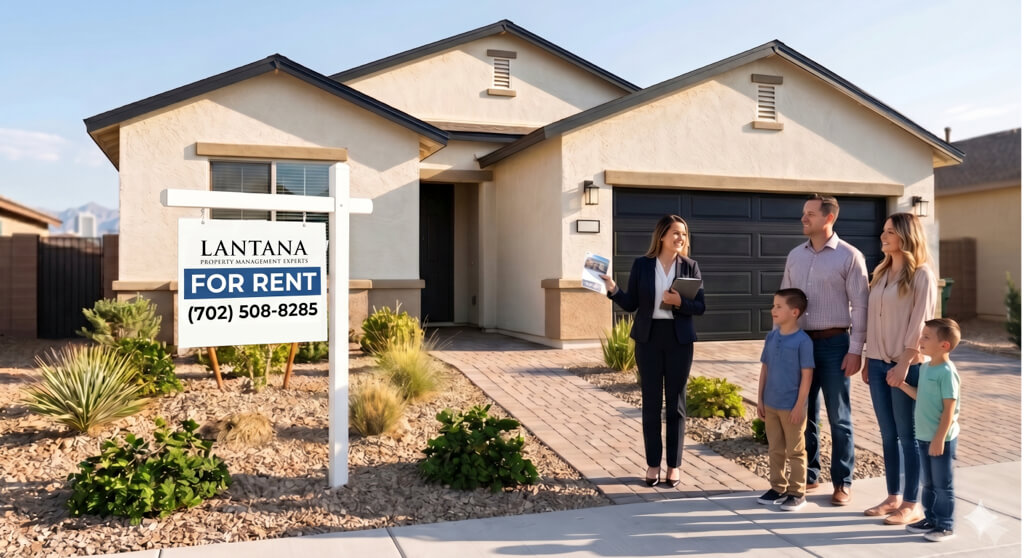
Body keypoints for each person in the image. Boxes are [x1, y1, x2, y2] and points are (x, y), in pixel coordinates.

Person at [600, 214, 706, 487]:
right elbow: (631, 303)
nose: (681, 238)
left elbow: (700, 307)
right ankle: (652, 464)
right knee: (650, 405)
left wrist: (679, 301)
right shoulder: (642, 265)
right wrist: (612, 289)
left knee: (676, 406)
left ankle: (674, 466)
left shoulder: (690, 266)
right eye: (675, 233)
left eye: (684, 233)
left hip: (679, 340)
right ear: (661, 236)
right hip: (648, 339)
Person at [780, 194, 868, 506]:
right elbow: (785, 304)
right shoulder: (795, 256)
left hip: (835, 344)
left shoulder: (849, 257)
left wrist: (856, 350)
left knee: (839, 416)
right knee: (804, 413)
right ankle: (811, 474)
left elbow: (861, 306)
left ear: (828, 218)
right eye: (804, 213)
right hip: (801, 344)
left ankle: (842, 481)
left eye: (811, 214)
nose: (804, 219)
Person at [862, 213, 936, 525]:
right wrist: (869, 357)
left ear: (906, 236)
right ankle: (892, 496)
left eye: (890, 231)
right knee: (887, 434)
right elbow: (871, 319)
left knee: (908, 437)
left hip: (905, 365)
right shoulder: (880, 271)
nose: (883, 235)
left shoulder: (922, 275)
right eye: (883, 230)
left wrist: (904, 363)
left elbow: (920, 324)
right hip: (878, 363)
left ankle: (912, 503)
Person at [896, 318, 961, 542]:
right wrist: (902, 385)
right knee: (930, 483)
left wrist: (939, 439)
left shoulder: (946, 372)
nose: (920, 340)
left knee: (943, 484)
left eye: (926, 337)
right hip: (924, 436)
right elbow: (921, 396)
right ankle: (931, 518)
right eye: (921, 335)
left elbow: (949, 410)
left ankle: (945, 525)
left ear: (944, 345)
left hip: (940, 439)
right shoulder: (925, 367)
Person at [756, 288, 815, 511]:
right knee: (775, 448)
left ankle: (797, 492)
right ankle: (777, 487)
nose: (773, 310)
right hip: (770, 404)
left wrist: (799, 406)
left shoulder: (803, 341)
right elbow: (765, 368)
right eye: (773, 305)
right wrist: (760, 400)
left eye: (779, 306)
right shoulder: (771, 337)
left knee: (795, 450)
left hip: (792, 407)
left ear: (795, 312)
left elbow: (807, 376)